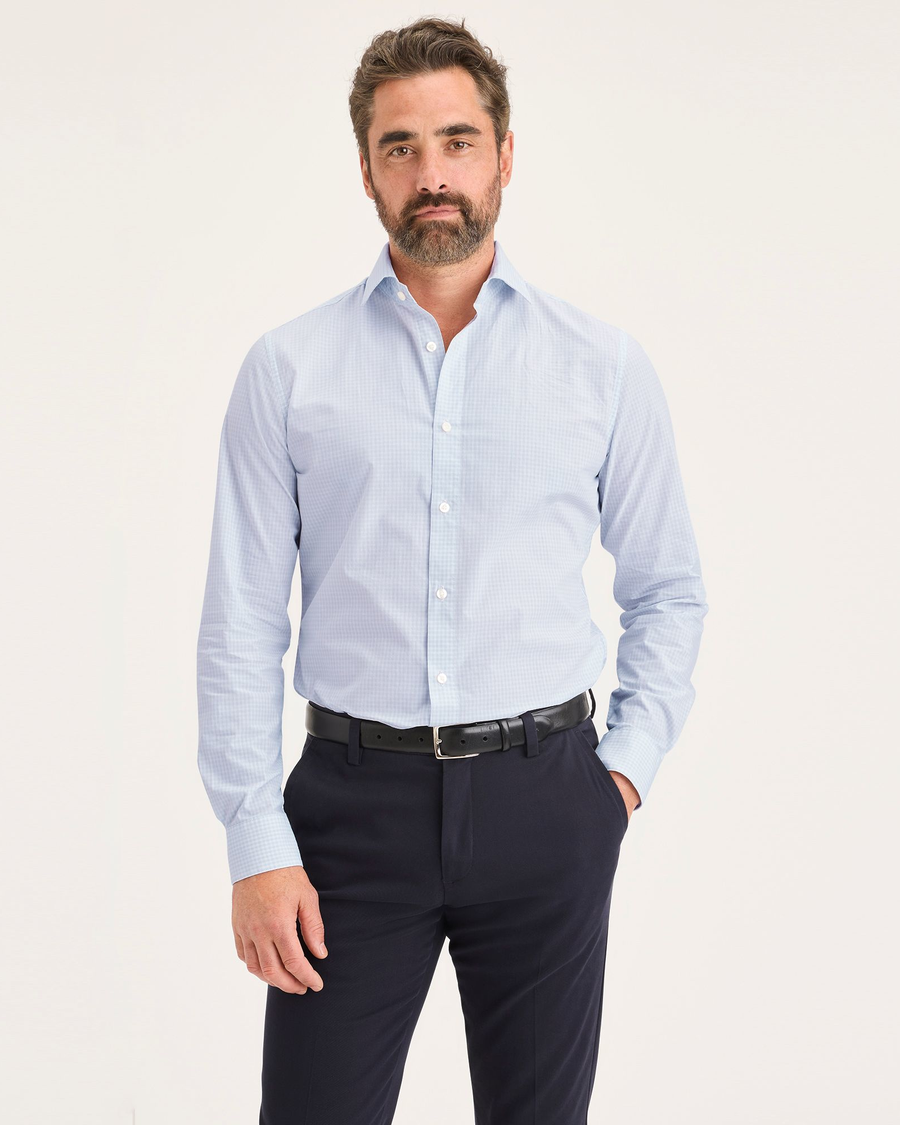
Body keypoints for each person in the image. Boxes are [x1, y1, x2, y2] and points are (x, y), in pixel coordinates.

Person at [196, 16, 708, 1124]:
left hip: (547, 801)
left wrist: (617, 781)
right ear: (367, 170)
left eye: (458, 141)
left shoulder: (601, 367)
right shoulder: (288, 371)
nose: (433, 173)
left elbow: (668, 587)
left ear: (505, 155)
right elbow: (240, 619)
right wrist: (254, 840)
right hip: (348, 814)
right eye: (402, 146)